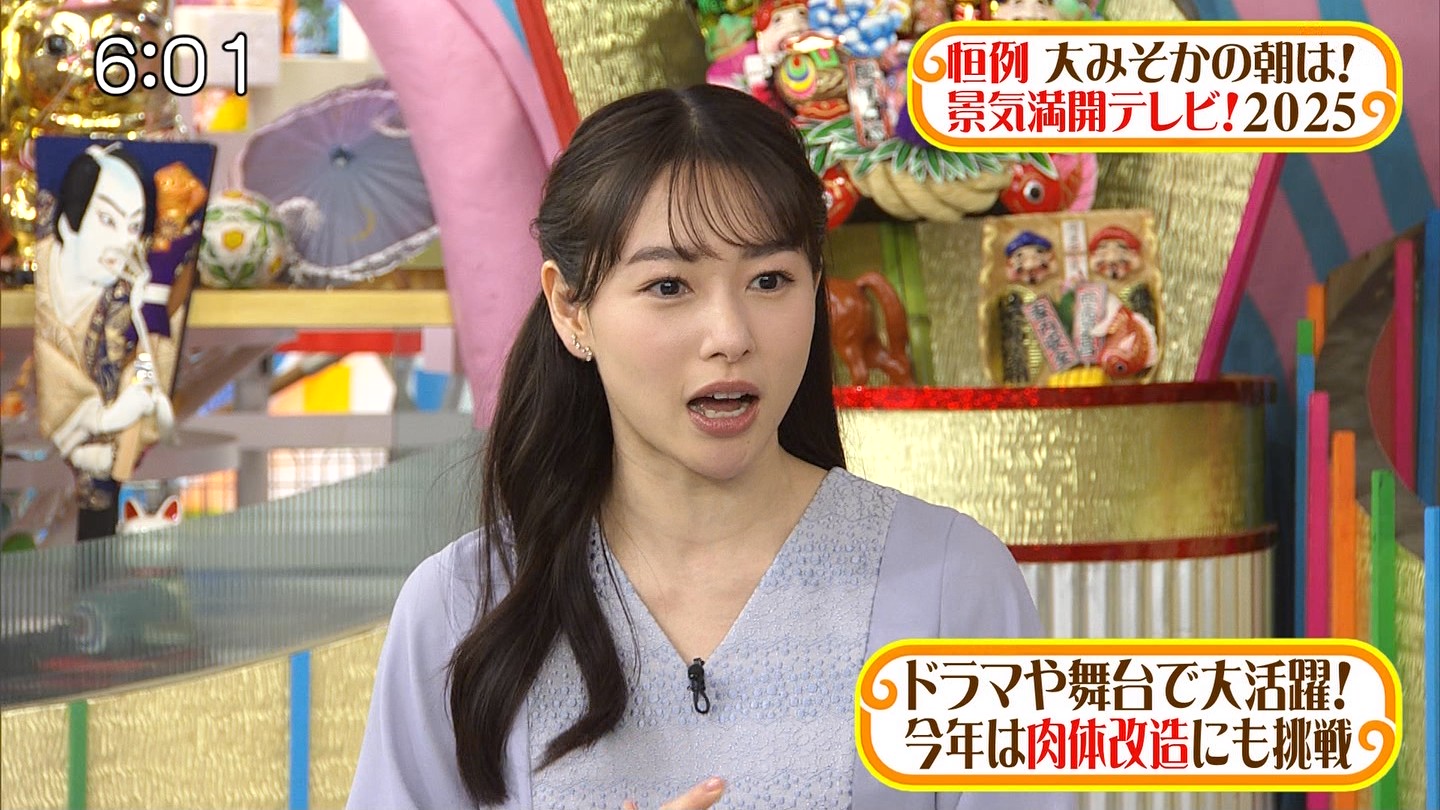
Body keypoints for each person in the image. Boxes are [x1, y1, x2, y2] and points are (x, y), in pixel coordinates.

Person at [350, 85, 1071, 809]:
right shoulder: (462, 607)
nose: (730, 335)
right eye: (669, 286)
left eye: (770, 280)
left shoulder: (951, 583)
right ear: (571, 309)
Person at [33, 143, 175, 491]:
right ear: (69, 223)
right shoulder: (46, 268)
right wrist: (100, 418)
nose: (123, 242)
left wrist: (142, 385)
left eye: (133, 227)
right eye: (108, 220)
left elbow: (145, 355)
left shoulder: (134, 288)